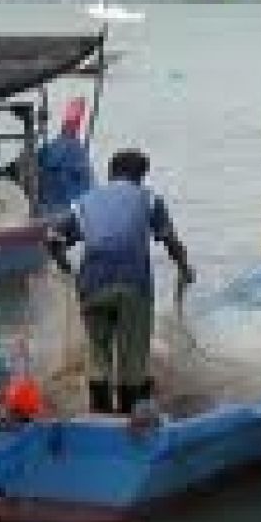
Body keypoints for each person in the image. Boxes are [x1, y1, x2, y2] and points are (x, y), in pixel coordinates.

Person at [48, 148, 195, 416]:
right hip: (132, 286)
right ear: (140, 177)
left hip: (91, 284)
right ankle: (129, 416)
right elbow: (171, 241)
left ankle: (100, 414)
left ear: (110, 173)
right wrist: (184, 267)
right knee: (133, 355)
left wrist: (64, 265)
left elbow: (53, 237)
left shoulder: (83, 202)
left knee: (97, 351)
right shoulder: (149, 199)